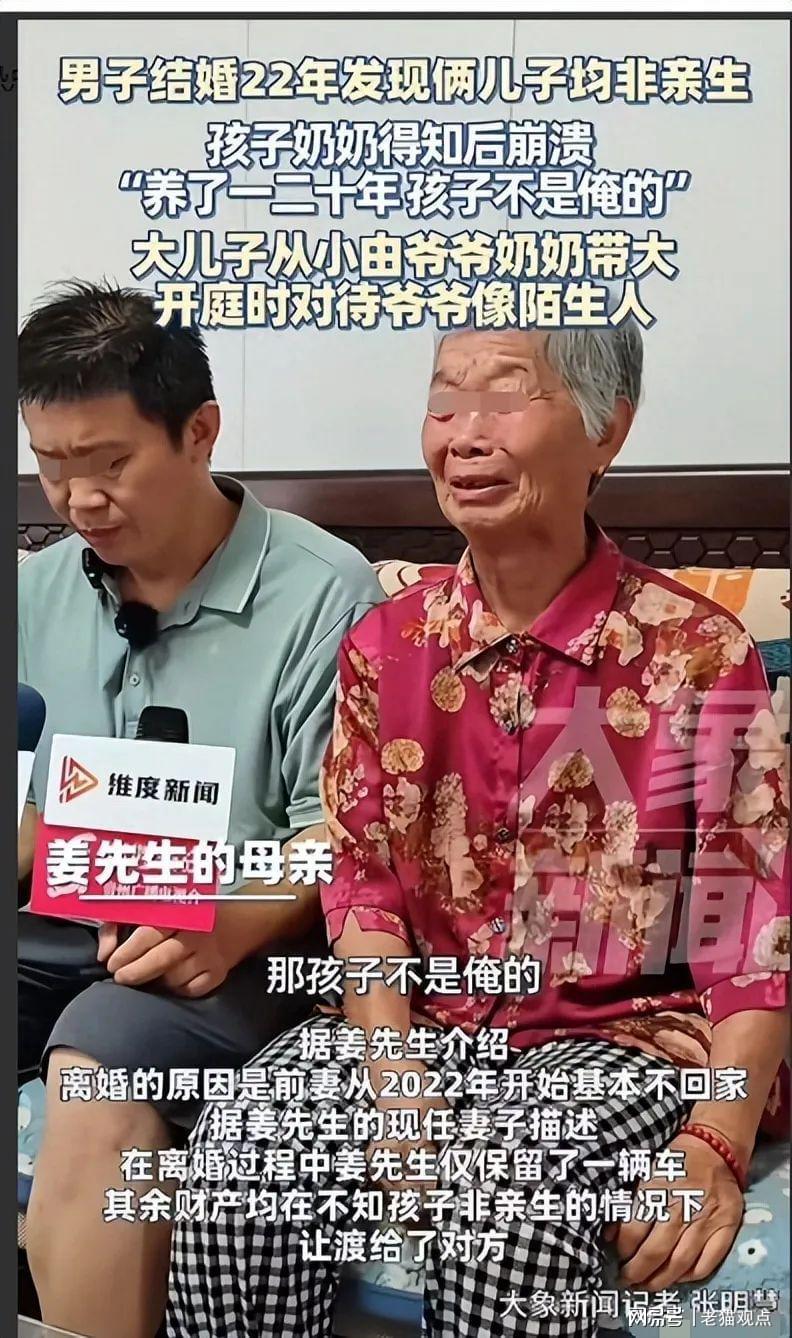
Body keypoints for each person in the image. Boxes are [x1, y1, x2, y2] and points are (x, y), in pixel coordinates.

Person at [168, 321, 789, 1337]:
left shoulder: (697, 650)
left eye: (506, 395)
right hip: (428, 1019)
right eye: (445, 400)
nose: (464, 434)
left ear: (607, 429)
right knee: (243, 1151)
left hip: (619, 1036)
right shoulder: (385, 646)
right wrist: (392, 1072)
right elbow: (363, 886)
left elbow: (756, 929)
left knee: (505, 1197)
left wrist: (714, 1141)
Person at [17, 280, 383, 1338]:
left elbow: (345, 836)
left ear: (200, 431)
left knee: (96, 1064)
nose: (78, 500)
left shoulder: (326, 594)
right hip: (57, 921)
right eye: (51, 465)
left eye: (109, 463)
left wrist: (233, 921)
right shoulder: (35, 591)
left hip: (234, 944)